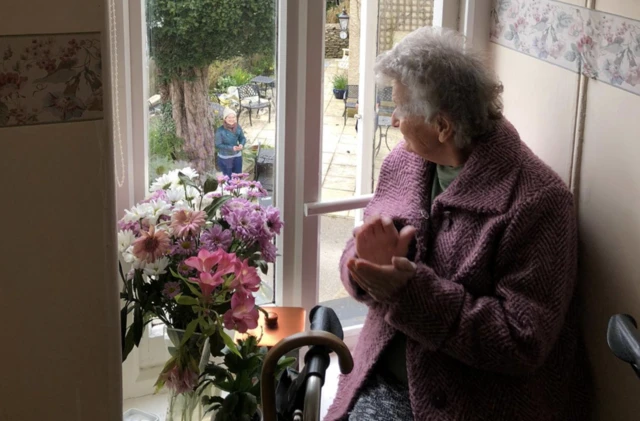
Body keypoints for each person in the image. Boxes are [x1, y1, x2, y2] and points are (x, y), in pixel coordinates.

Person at [324, 27, 592, 421]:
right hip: (375, 375)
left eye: (400, 107)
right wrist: (363, 267)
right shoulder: (405, 161)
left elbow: (522, 342)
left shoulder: (539, 202)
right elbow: (358, 255)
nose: (394, 119)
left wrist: (408, 293)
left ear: (443, 126)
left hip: (463, 404)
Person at [215, 108, 246, 177]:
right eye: (229, 117)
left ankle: (238, 188)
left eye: (233, 117)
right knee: (228, 178)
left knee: (238, 176)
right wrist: (231, 148)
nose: (232, 119)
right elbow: (218, 145)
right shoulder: (220, 130)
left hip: (237, 155)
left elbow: (242, 138)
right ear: (225, 119)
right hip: (225, 157)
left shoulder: (238, 127)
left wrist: (241, 144)